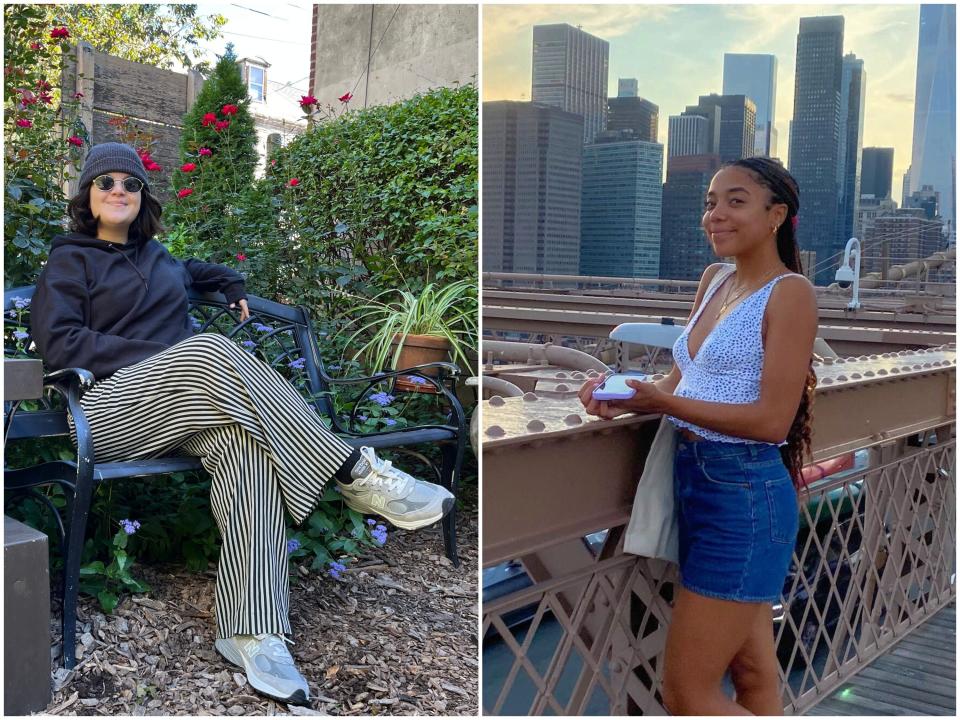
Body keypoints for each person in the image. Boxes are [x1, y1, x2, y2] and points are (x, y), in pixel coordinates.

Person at [31, 142, 456, 706]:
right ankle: (356, 471)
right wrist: (159, 355)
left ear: (142, 197)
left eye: (130, 184)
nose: (118, 191)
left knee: (243, 446)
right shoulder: (70, 259)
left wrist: (229, 286)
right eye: (105, 181)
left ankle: (251, 631)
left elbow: (203, 272)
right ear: (88, 194)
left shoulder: (162, 261)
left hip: (181, 406)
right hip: (106, 408)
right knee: (206, 350)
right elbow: (59, 342)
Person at [578, 157, 817, 715]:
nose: (716, 214)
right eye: (711, 202)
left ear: (776, 214)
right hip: (695, 482)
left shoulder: (792, 294)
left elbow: (770, 422)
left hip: (745, 495)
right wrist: (619, 396)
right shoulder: (715, 281)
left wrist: (662, 401)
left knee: (687, 693)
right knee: (754, 675)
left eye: (736, 201)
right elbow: (679, 379)